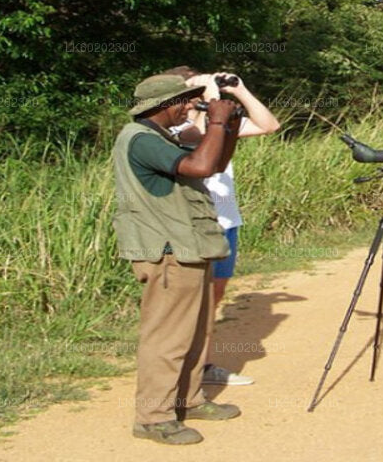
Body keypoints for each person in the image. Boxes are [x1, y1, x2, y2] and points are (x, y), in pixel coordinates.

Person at [112, 73, 244, 445]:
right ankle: (153, 418)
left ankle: (188, 398)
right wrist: (215, 119)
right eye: (185, 100)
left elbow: (213, 164)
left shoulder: (161, 139)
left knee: (195, 331)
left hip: (190, 247)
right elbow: (199, 167)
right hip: (168, 252)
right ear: (165, 104)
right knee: (167, 338)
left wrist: (228, 125)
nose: (190, 106)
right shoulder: (140, 139)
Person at [163, 67, 280, 386]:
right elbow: (198, 142)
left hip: (227, 223)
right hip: (195, 227)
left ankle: (203, 364)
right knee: (190, 304)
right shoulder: (170, 126)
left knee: (212, 303)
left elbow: (269, 125)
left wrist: (239, 90)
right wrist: (208, 100)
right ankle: (178, 372)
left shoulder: (219, 119)